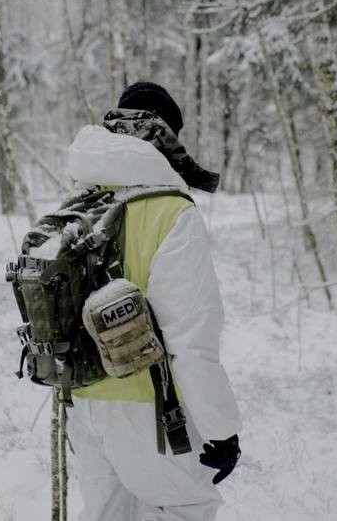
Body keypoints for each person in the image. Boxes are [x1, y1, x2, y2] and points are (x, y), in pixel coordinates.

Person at [66, 82, 242, 520]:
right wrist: (222, 431)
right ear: (166, 139)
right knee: (186, 508)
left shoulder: (78, 204)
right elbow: (190, 338)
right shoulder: (171, 212)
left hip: (83, 404)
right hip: (151, 409)